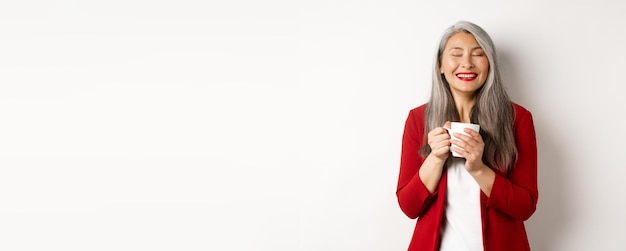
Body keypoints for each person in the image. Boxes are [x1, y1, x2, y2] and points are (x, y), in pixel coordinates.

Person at [396, 21, 538, 251]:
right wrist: (435, 158)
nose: (467, 63)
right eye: (456, 54)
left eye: (478, 54)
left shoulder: (517, 119)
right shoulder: (418, 119)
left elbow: (525, 207)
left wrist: (479, 169)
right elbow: (409, 207)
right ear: (441, 65)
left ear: (489, 64)